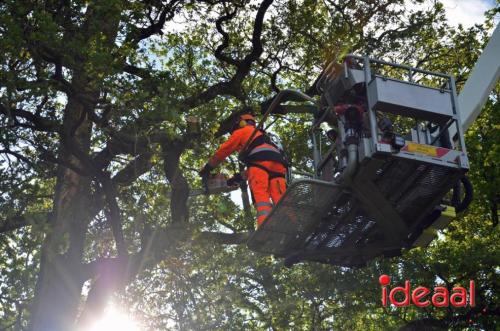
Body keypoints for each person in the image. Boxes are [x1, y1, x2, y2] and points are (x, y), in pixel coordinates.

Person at [199, 113, 288, 228]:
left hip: (260, 166)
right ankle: (292, 225)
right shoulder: (265, 137)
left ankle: (266, 230)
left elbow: (224, 150)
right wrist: (236, 179)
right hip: (278, 167)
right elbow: (261, 164)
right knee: (282, 200)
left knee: (261, 199)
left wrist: (208, 168)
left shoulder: (242, 131)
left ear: (241, 123)